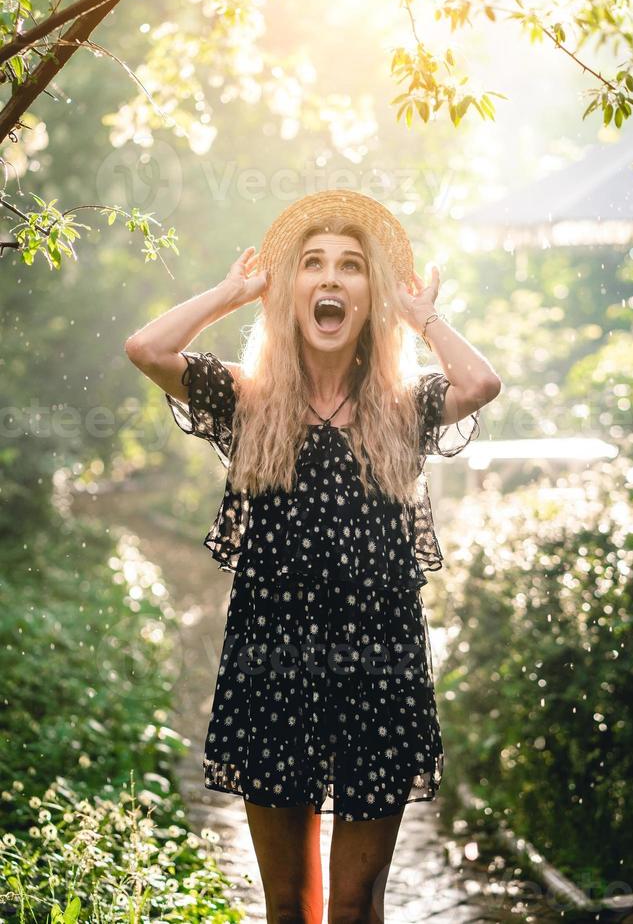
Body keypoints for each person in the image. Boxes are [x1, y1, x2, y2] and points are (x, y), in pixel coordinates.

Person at [125, 189, 501, 924]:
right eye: (314, 265)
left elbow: (480, 383)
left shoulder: (402, 408)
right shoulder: (249, 400)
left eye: (353, 268)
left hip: (379, 675)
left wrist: (423, 318)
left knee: (358, 904)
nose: (331, 280)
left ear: (370, 298)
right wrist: (232, 294)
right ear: (291, 291)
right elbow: (147, 349)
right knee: (291, 906)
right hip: (273, 670)